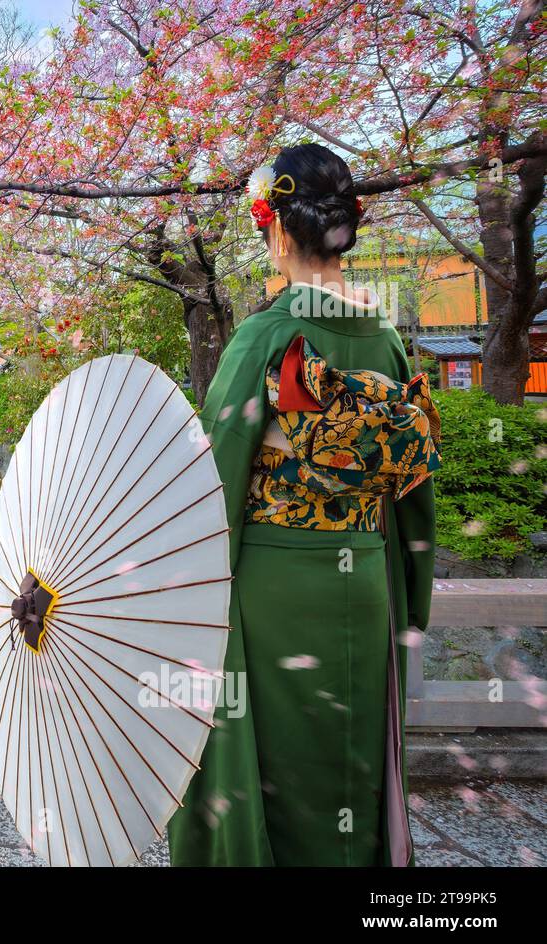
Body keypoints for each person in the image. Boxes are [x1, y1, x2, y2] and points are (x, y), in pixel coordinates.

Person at [167, 143, 439, 866]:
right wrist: (411, 593)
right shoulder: (388, 343)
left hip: (270, 586)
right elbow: (413, 487)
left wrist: (184, 603)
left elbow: (215, 485)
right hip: (367, 578)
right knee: (350, 758)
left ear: (280, 233)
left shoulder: (265, 337)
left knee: (262, 762)